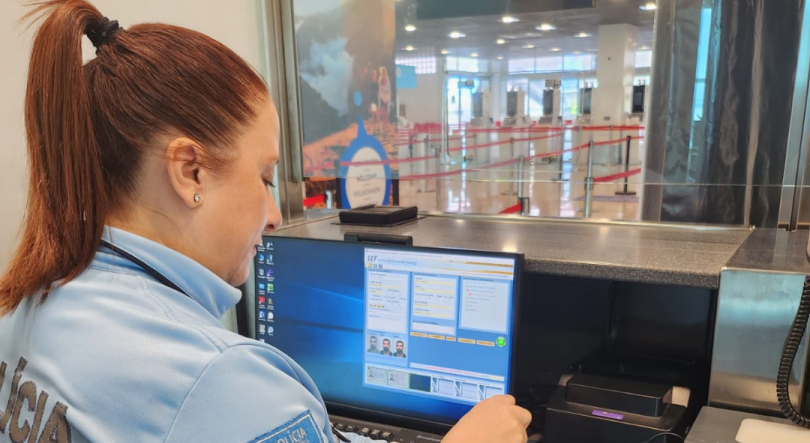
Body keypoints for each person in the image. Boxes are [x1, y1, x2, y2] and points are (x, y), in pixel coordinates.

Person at [0, 1, 532, 443]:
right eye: (264, 177)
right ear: (190, 172)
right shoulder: (218, 378)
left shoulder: (29, 299)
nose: (276, 214)